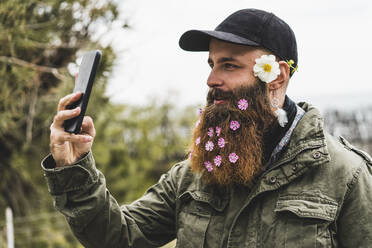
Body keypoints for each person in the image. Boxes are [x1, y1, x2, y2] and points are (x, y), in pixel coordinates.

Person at [42, 8, 372, 248]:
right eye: (212, 64)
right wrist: (73, 167)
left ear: (277, 75)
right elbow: (118, 237)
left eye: (229, 65)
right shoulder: (194, 174)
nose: (212, 79)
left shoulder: (346, 177)